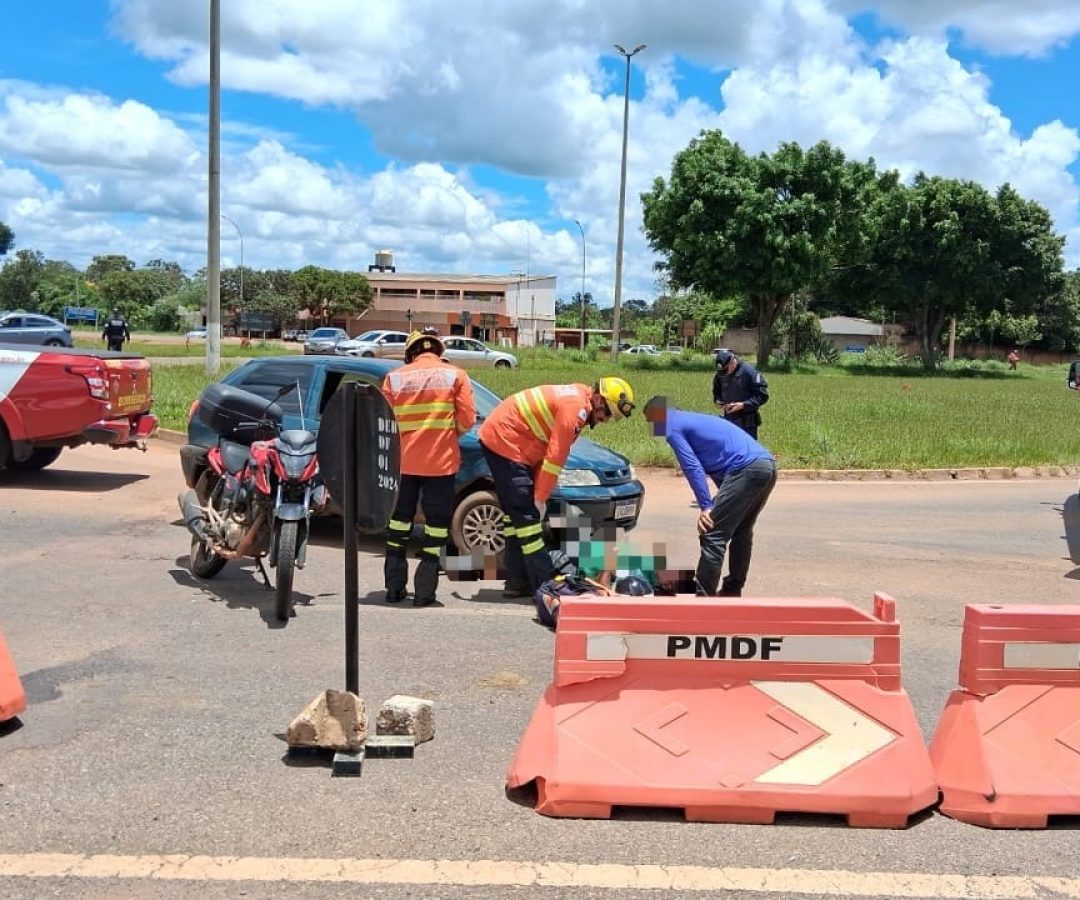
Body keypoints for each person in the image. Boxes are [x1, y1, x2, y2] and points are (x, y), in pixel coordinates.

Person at [478, 377, 635, 598]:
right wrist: (540, 498)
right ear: (599, 399)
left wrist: (538, 490)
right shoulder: (575, 409)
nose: (605, 420)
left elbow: (545, 449)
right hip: (506, 441)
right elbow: (555, 458)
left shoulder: (578, 402)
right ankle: (547, 587)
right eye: (607, 413)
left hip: (514, 442)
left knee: (516, 518)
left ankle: (518, 581)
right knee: (528, 521)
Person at [644, 395, 777, 597]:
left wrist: (706, 506)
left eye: (651, 421)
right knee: (741, 530)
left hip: (747, 468)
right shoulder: (695, 420)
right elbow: (723, 470)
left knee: (712, 531)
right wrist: (718, 503)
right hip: (766, 466)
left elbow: (692, 466)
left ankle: (704, 599)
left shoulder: (672, 426)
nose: (653, 428)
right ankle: (732, 591)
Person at [381, 328, 476, 607]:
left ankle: (394, 589)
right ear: (438, 351)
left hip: (401, 465)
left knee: (398, 526)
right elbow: (468, 420)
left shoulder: (394, 377)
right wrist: (447, 435)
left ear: (410, 353)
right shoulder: (455, 375)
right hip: (440, 465)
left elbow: (382, 420)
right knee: (435, 529)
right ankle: (424, 594)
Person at [712, 348, 769, 438]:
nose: (724, 374)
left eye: (726, 370)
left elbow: (762, 396)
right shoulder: (721, 374)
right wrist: (718, 401)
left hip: (747, 424)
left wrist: (743, 405)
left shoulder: (749, 372)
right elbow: (717, 392)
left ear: (732, 362)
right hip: (729, 421)